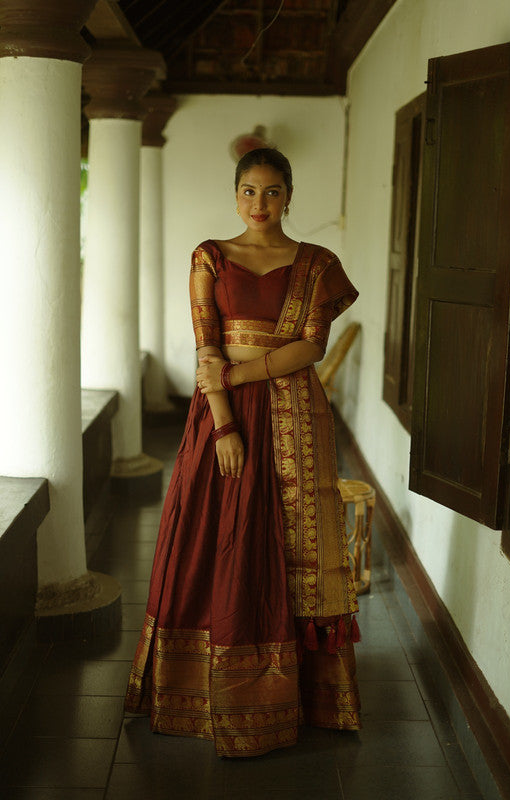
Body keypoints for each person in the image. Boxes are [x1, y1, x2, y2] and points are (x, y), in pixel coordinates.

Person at [125, 147, 361, 758]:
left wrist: (237, 375)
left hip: (294, 421)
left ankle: (301, 695)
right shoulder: (211, 256)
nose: (261, 204)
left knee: (293, 542)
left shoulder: (317, 264)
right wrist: (224, 424)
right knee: (215, 536)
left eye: (273, 191)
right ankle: (204, 688)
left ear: (289, 196)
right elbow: (207, 347)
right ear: (236, 196)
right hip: (223, 419)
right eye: (250, 191)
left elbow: (310, 348)